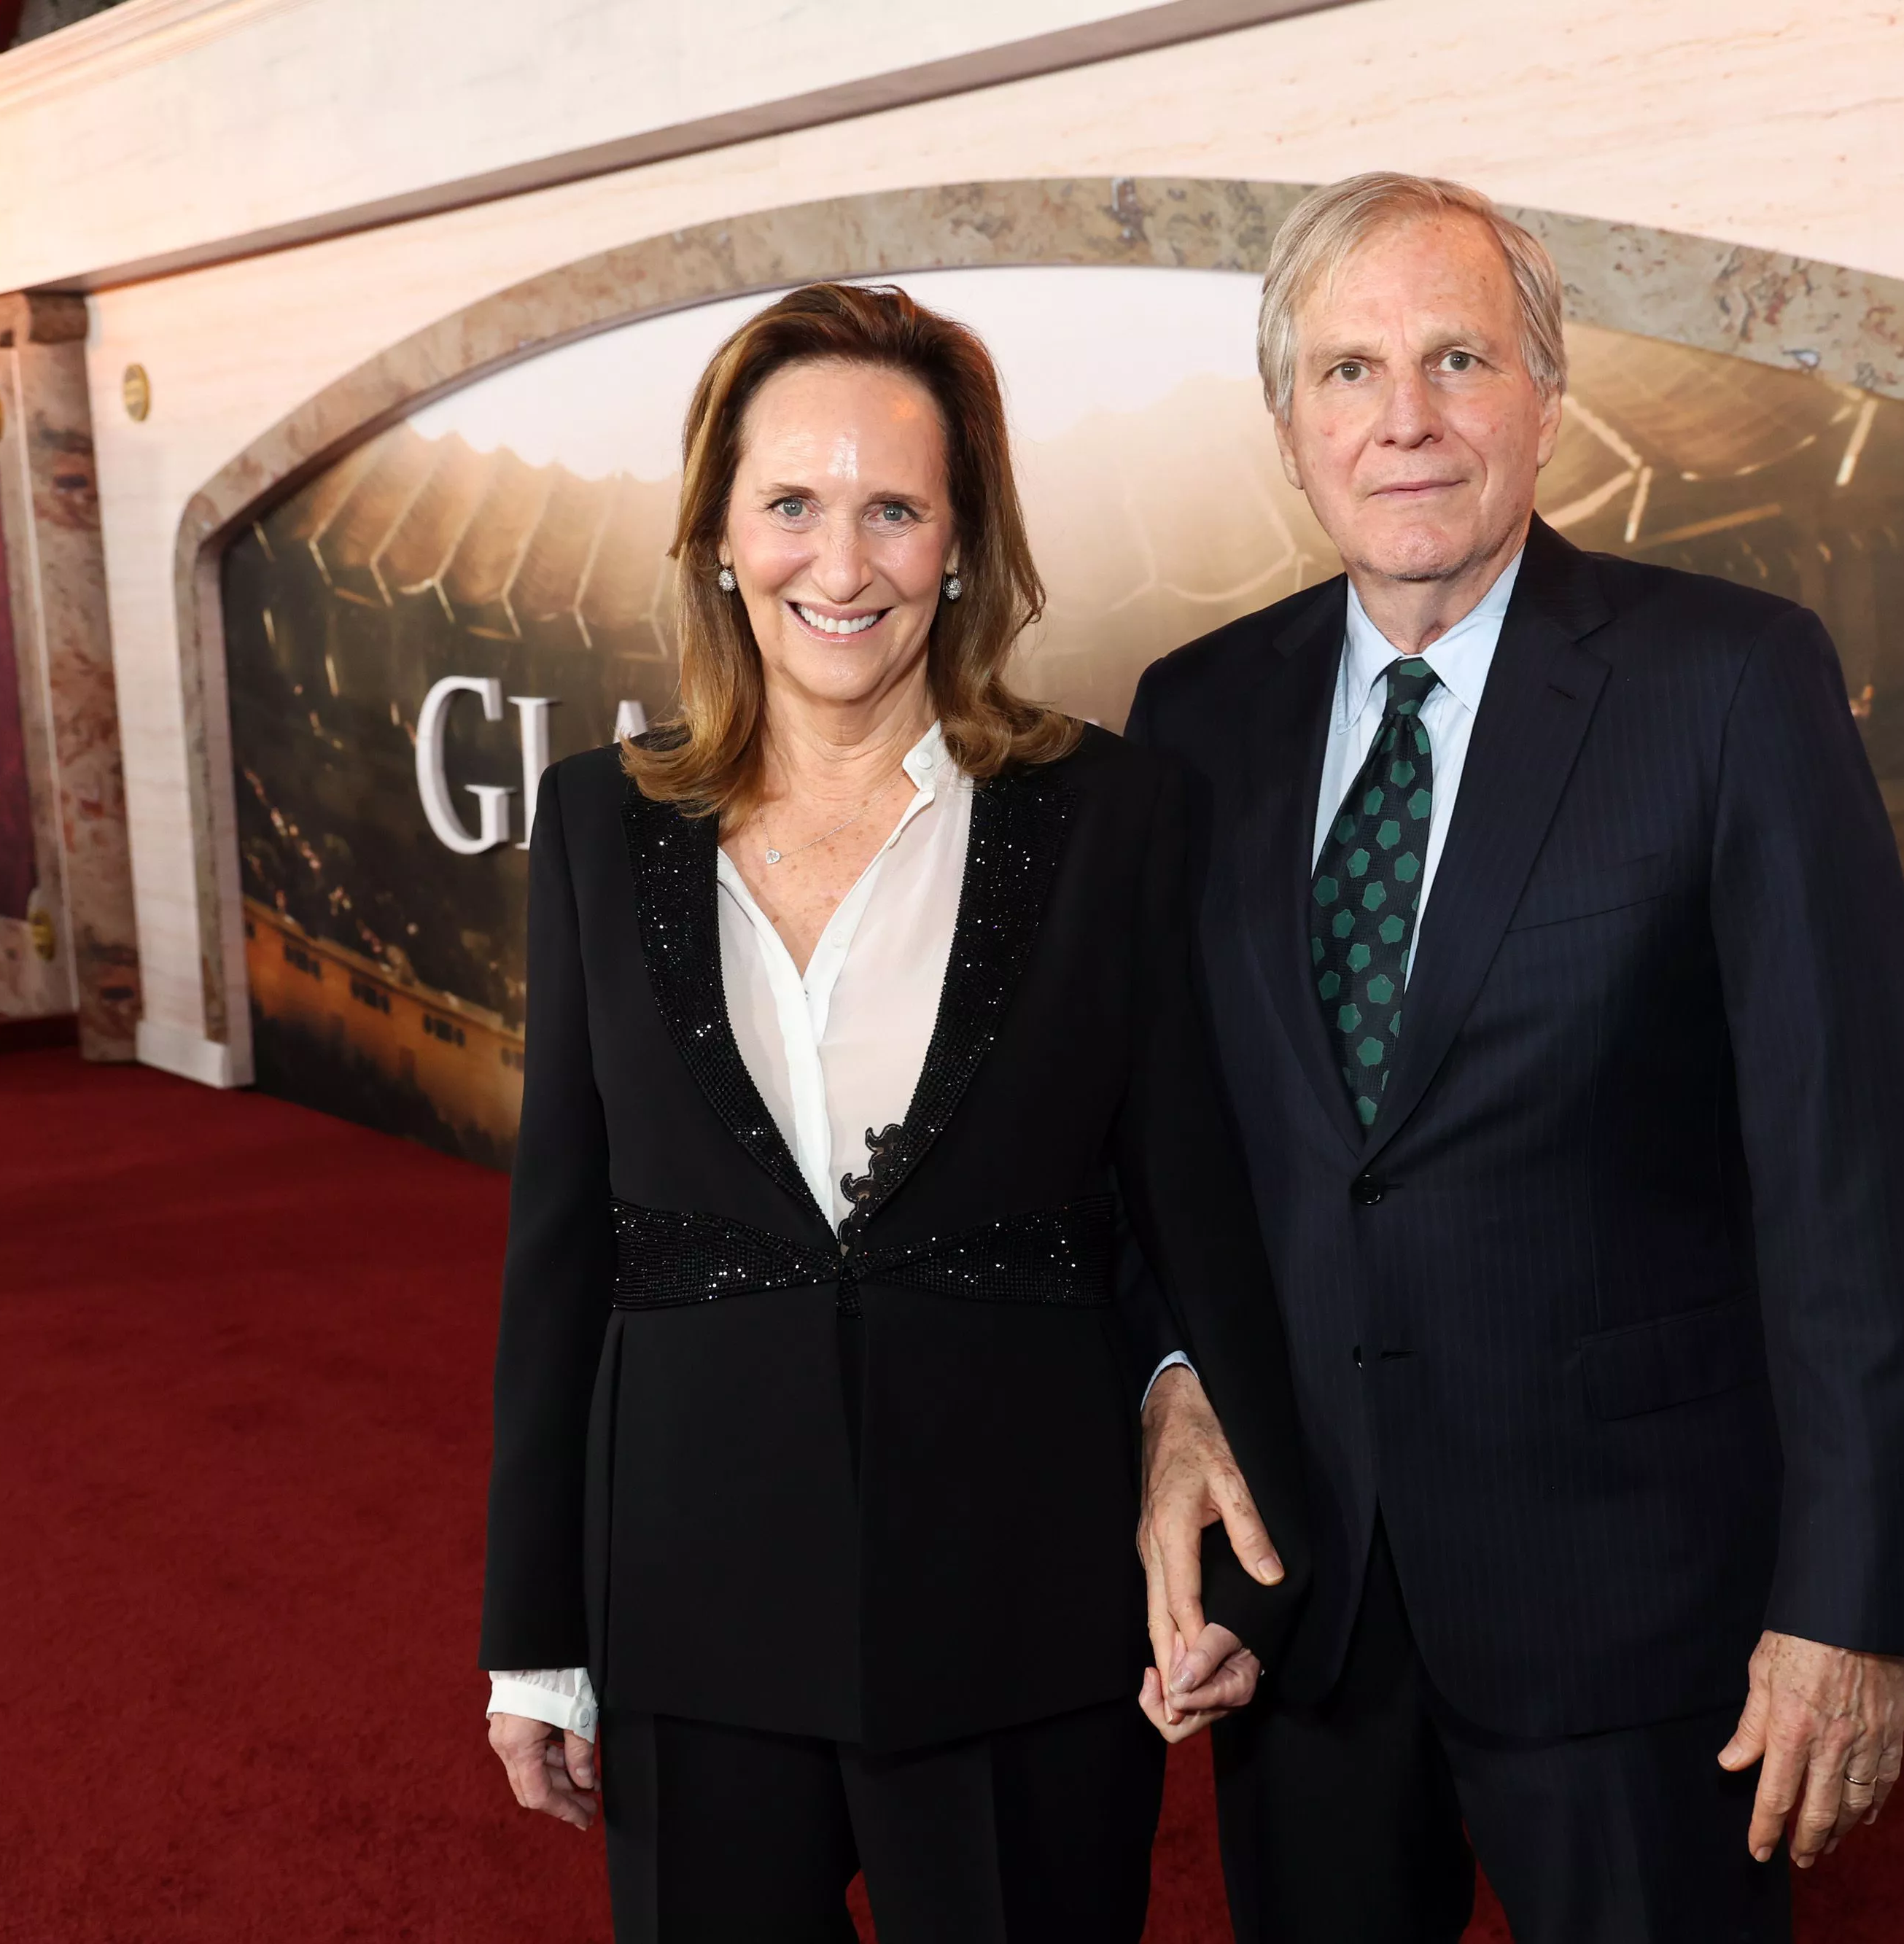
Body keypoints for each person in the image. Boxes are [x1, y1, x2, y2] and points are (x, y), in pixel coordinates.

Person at [1124, 174, 1904, 1943]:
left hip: (1637, 1603)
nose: (1402, 419)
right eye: (1346, 372)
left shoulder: (1727, 682)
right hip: (1307, 1596)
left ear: (1545, 397)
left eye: (1456, 359)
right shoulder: (1194, 714)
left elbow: (1848, 1177)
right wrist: (1174, 1379)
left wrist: (1845, 1603)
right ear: (1288, 426)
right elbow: (1174, 1137)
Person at [477, 281, 1309, 1943]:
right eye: (790, 503)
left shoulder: (1107, 814)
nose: (839, 564)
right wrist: (535, 1638)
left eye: (894, 510)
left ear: (963, 543)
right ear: (719, 535)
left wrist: (1240, 1547)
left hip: (1020, 1610)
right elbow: (562, 1246)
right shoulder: (598, 825)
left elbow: (1196, 1214)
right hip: (692, 1603)